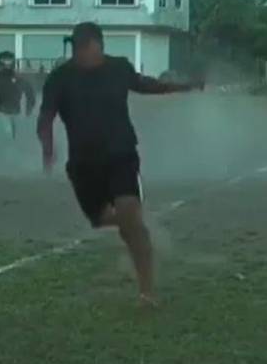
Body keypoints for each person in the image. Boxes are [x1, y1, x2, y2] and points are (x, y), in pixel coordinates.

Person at [37, 22, 201, 306]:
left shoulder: (118, 68)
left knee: (130, 221)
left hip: (121, 156)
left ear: (98, 46)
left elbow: (147, 85)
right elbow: (45, 117)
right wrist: (47, 147)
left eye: (84, 48)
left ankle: (147, 292)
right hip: (84, 165)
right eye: (76, 49)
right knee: (102, 220)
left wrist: (182, 86)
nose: (80, 54)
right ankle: (134, 225)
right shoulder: (60, 78)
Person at [0, 51, 35, 138]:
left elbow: (30, 93)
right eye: (5, 61)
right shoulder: (1, 79)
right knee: (10, 135)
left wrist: (29, 108)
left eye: (9, 61)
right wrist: (29, 108)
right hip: (8, 111)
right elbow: (30, 93)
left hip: (9, 111)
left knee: (10, 135)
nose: (7, 64)